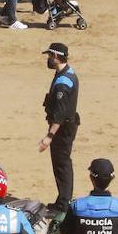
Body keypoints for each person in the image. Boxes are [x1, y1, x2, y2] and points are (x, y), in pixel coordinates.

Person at [39, 42, 80, 210]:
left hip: (63, 128)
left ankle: (63, 204)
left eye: (49, 56)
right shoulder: (67, 72)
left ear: (56, 56)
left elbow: (60, 114)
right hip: (66, 125)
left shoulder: (63, 82)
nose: (48, 59)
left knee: (62, 165)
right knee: (62, 164)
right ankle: (62, 200)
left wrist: (49, 136)